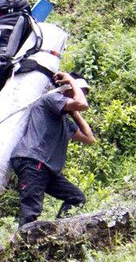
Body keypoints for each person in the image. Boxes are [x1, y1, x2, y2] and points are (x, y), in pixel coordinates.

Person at [10, 71, 94, 228]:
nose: (80, 95)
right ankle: (21, 248)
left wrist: (74, 113)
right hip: (33, 161)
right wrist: (70, 80)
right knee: (30, 213)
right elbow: (83, 104)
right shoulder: (51, 99)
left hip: (47, 169)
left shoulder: (64, 120)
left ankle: (58, 232)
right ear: (66, 88)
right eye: (79, 91)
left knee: (76, 198)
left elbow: (90, 138)